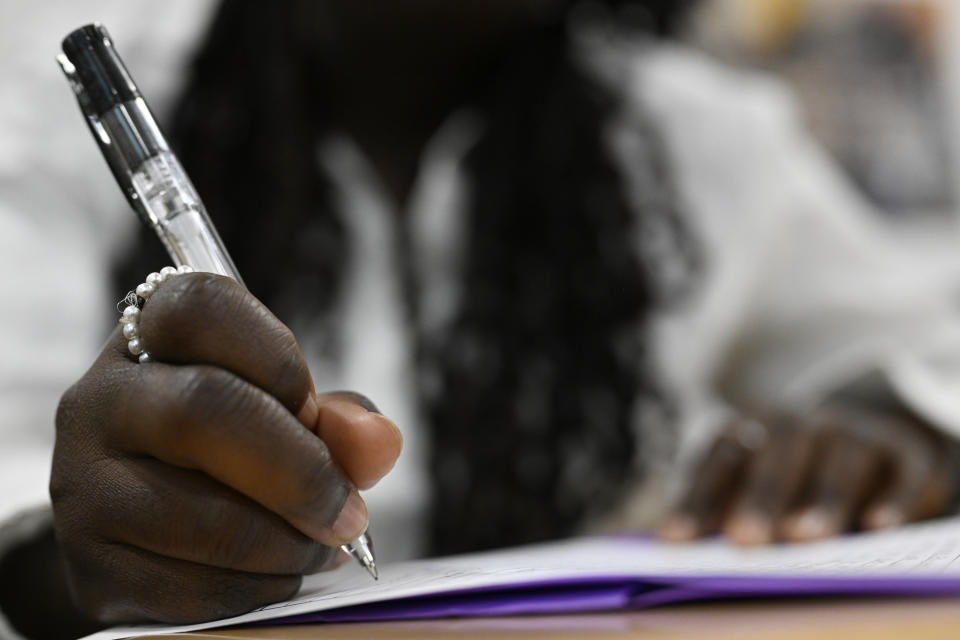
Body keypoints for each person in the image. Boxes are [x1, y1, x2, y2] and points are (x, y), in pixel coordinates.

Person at [2, 0, 960, 637]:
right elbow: (22, 507)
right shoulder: (52, 127)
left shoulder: (695, 134)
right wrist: (79, 560)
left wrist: (892, 418)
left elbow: (927, 349)